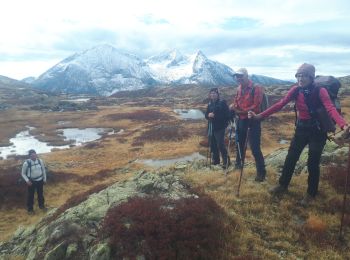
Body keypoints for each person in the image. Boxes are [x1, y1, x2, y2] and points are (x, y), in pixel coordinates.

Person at [248, 63, 350, 206]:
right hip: (301, 129)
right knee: (291, 158)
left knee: (313, 163)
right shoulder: (296, 90)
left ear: (311, 77)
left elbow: (330, 108)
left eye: (304, 76)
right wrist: (260, 116)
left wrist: (343, 124)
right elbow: (280, 104)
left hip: (318, 131)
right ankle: (282, 185)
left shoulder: (320, 90)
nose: (300, 79)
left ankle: (310, 194)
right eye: (298, 75)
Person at [230, 68, 267, 182]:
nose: (238, 78)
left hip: (253, 121)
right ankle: (238, 165)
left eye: (240, 76)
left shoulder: (256, 88)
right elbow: (237, 102)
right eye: (237, 76)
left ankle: (261, 173)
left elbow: (256, 106)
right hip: (241, 121)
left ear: (247, 76)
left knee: (255, 148)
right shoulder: (239, 88)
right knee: (239, 145)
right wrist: (233, 107)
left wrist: (239, 111)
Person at [205, 88, 230, 169]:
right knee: (213, 144)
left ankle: (226, 161)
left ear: (218, 94)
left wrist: (215, 116)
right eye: (211, 93)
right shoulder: (209, 104)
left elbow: (227, 116)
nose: (213, 95)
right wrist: (208, 115)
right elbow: (206, 115)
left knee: (220, 144)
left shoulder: (222, 103)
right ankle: (216, 160)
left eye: (214, 93)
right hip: (211, 127)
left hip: (220, 127)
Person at [21, 149, 47, 214]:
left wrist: (44, 179)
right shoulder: (26, 163)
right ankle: (30, 210)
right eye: (32, 155)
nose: (34, 156)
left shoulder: (40, 161)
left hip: (40, 180)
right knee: (31, 196)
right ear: (29, 156)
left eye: (35, 154)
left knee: (40, 194)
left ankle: (42, 206)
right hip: (31, 182)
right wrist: (27, 181)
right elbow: (23, 173)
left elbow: (43, 170)